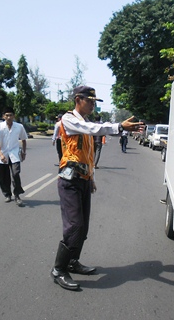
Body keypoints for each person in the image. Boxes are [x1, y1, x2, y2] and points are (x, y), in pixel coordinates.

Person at [51, 85, 143, 291]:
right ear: (78, 99)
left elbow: (88, 155)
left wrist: (91, 177)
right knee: (74, 226)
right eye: (89, 100)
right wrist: (119, 126)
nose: (93, 104)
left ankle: (72, 262)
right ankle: (59, 269)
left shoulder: (84, 122)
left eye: (94, 101)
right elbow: (93, 130)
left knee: (83, 228)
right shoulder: (69, 119)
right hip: (70, 181)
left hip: (83, 179)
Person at [0, 107, 28, 207]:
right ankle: (7, 194)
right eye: (7, 115)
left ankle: (17, 195)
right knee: (3, 176)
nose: (9, 117)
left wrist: (24, 152)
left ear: (14, 116)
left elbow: (24, 140)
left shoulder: (19, 126)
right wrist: (1, 154)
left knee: (16, 173)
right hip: (1, 155)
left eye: (10, 115)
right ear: (3, 116)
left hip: (14, 154)